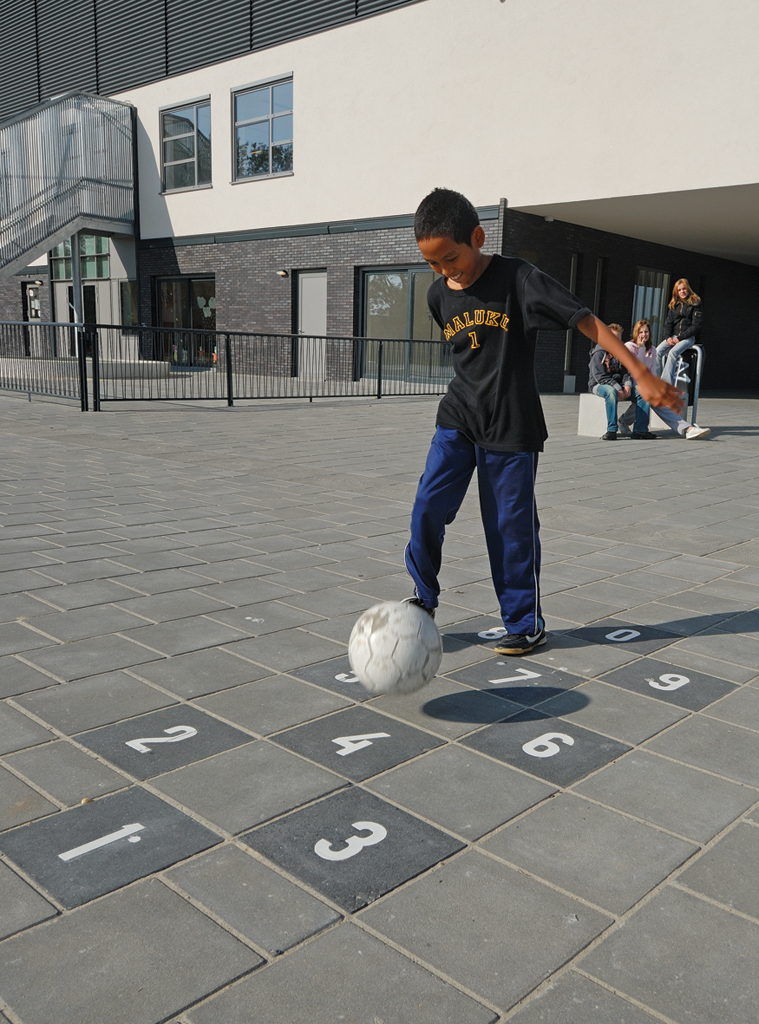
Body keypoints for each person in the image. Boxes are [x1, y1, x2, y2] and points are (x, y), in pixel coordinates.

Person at [403, 188, 683, 655]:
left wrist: (638, 370)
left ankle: (523, 622)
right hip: (458, 418)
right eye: (434, 264)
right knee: (426, 506)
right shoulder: (438, 295)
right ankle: (422, 600)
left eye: (451, 258)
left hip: (512, 427)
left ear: (477, 236)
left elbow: (585, 319)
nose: (446, 271)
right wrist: (443, 277)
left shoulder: (519, 279)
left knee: (508, 527)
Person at [588, 340, 650, 439]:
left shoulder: (620, 353)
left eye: (618, 337)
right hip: (599, 385)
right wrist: (617, 387)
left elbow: (625, 374)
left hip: (618, 385)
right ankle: (611, 430)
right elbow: (600, 377)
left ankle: (640, 430)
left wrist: (628, 385)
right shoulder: (599, 353)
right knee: (610, 391)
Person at [656, 278, 703, 384]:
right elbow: (668, 324)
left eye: (684, 289)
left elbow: (696, 326)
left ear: (688, 289)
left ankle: (666, 383)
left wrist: (680, 338)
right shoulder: (674, 305)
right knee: (658, 351)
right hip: (673, 336)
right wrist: (668, 337)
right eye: (679, 290)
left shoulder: (695, 303)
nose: (682, 291)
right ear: (676, 292)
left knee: (673, 352)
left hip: (687, 338)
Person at [618, 319, 657, 437]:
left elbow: (653, 370)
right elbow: (635, 370)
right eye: (641, 332)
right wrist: (640, 348)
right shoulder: (629, 347)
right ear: (636, 333)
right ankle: (640, 429)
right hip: (629, 383)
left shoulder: (652, 349)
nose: (644, 335)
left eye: (646, 332)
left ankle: (624, 422)